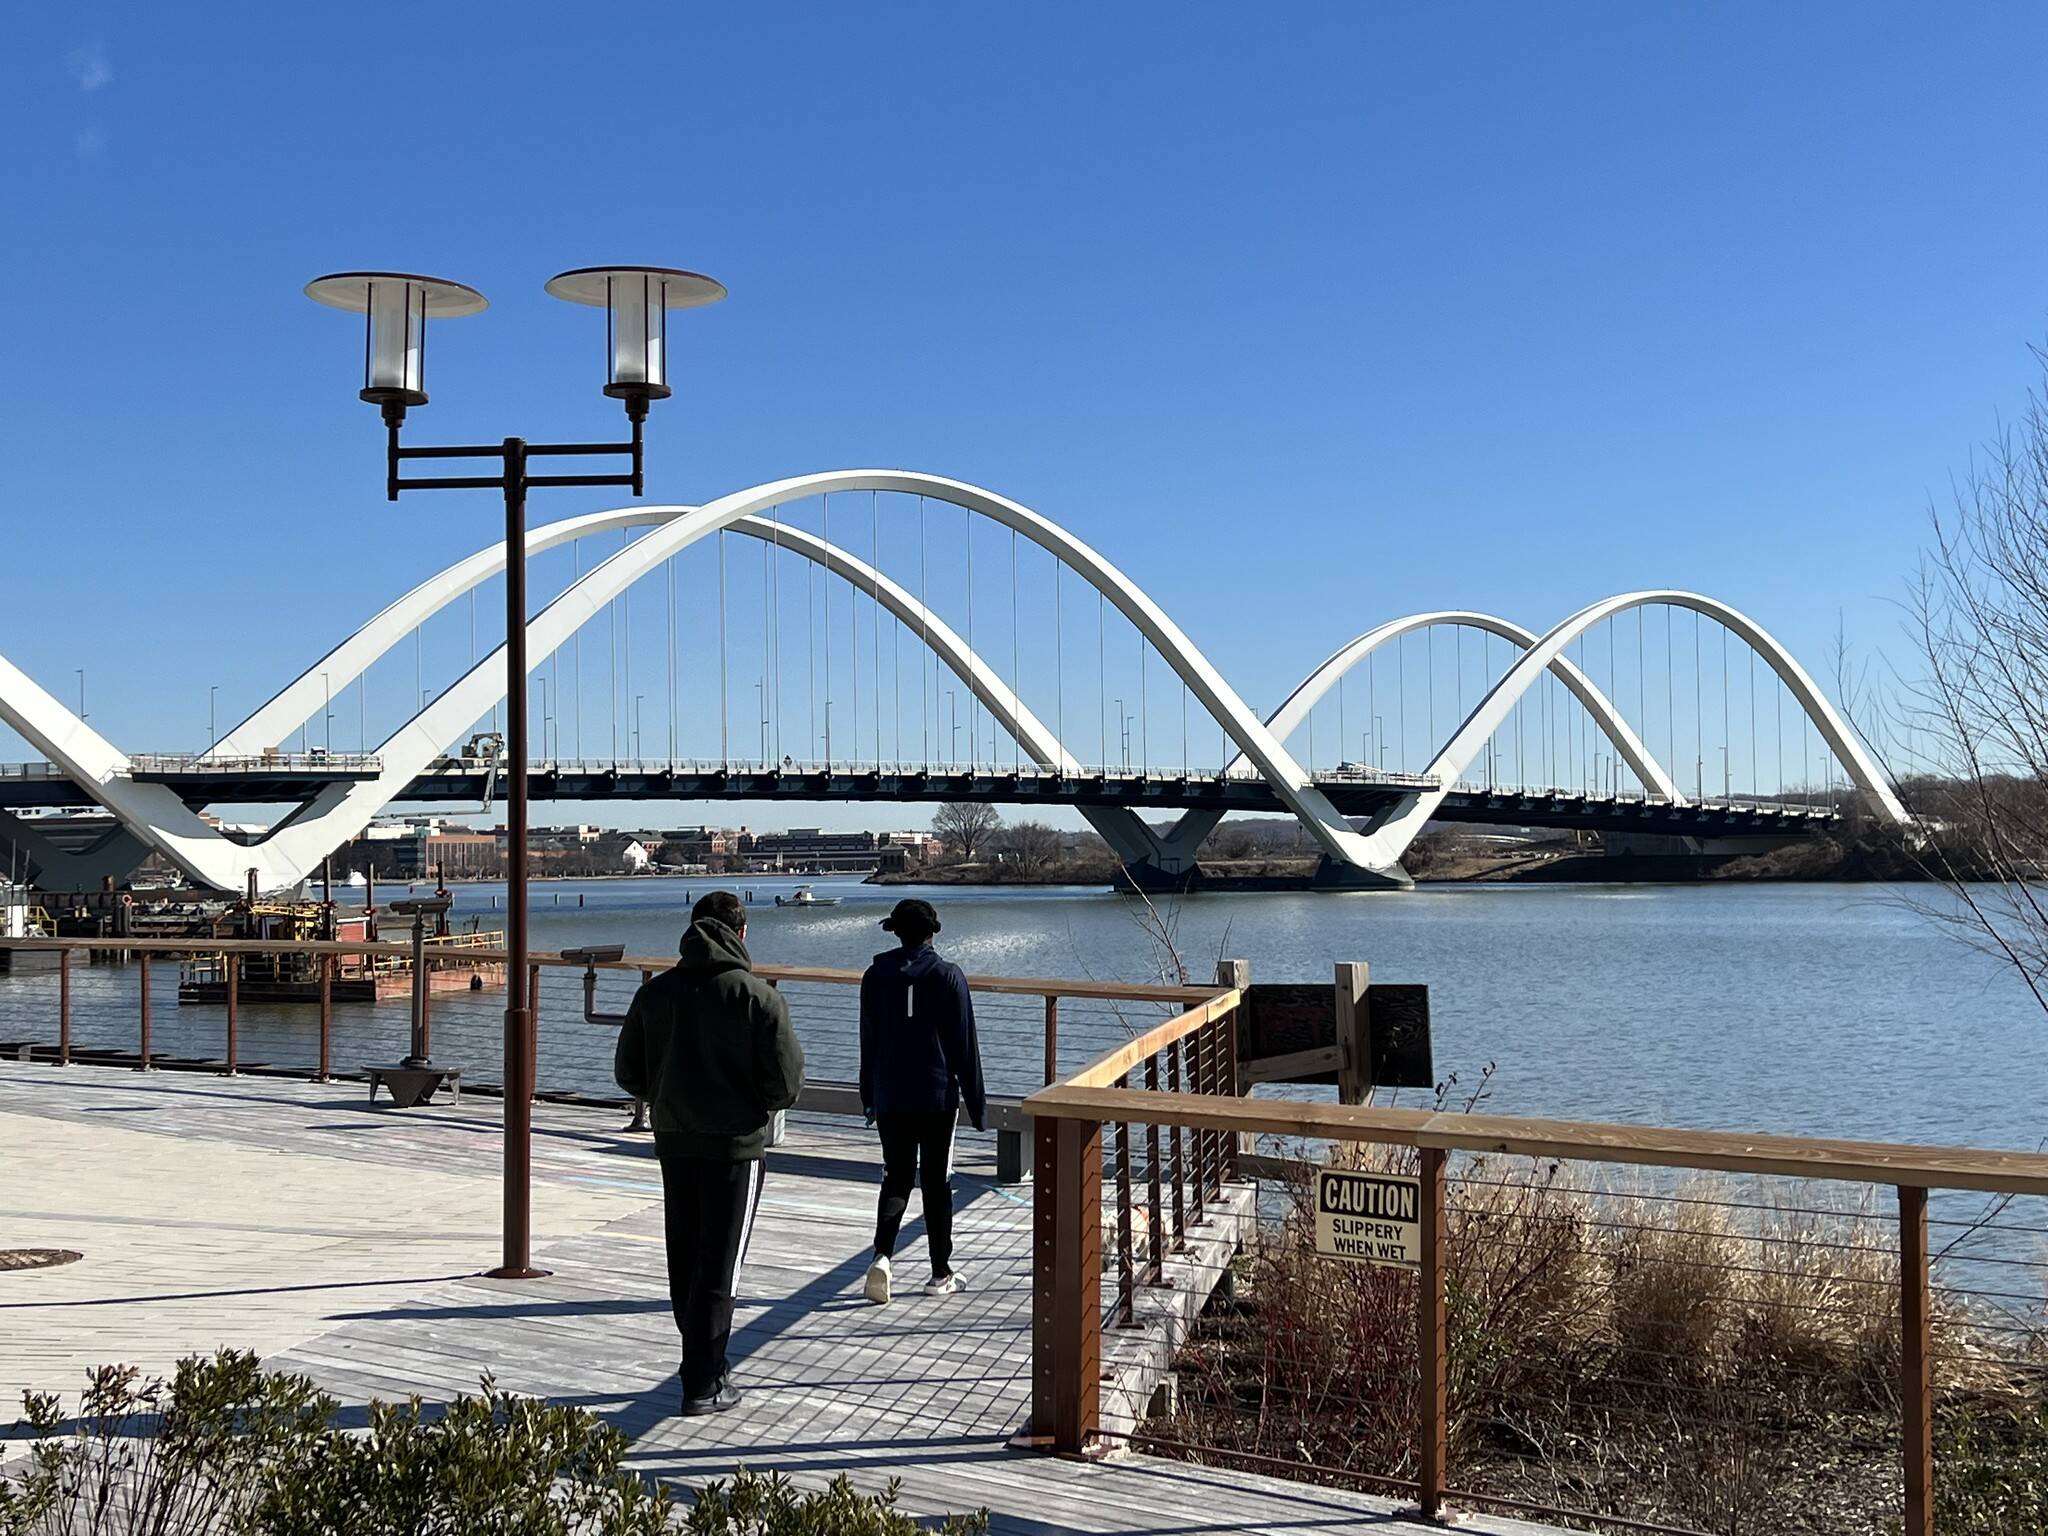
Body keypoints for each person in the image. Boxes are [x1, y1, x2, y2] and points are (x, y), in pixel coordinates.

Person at [615, 890, 804, 1415]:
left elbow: (628, 1074)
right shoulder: (758, 998)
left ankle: (697, 1363)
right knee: (722, 1266)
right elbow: (785, 1087)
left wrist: (670, 1095)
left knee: (686, 1254)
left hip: (674, 1140)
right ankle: (704, 1380)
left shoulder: (656, 994)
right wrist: (748, 1103)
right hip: (736, 1147)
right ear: (742, 933)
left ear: (692, 928)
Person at [858, 897, 986, 1304]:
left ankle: (881, 1255)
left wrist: (869, 1094)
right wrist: (977, 1104)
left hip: (890, 1093)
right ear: (932, 933)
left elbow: (868, 1042)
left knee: (895, 1176)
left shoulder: (874, 976)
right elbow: (966, 1047)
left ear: (895, 932)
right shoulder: (949, 976)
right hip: (936, 1096)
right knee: (936, 1181)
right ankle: (940, 1271)